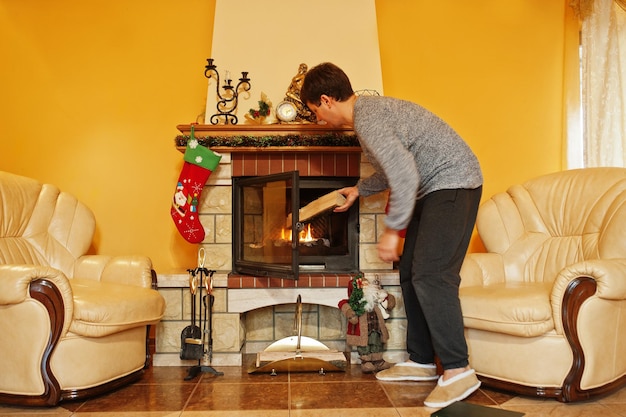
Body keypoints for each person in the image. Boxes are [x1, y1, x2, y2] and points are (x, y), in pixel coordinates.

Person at [300, 62, 483, 409]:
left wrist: (393, 231)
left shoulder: (369, 118)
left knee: (432, 275)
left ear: (326, 100)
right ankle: (422, 360)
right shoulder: (368, 116)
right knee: (411, 273)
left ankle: (459, 370)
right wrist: (358, 188)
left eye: (315, 113)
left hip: (454, 183)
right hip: (433, 188)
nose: (319, 121)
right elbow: (393, 168)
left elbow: (404, 175)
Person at [338, 274, 395, 373]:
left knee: (377, 342)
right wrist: (349, 312)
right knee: (364, 345)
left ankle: (378, 360)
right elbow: (343, 304)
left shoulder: (375, 300)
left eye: (366, 284)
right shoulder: (356, 303)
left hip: (376, 328)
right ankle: (366, 361)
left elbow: (386, 300)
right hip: (362, 331)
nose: (366, 286)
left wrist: (389, 299)